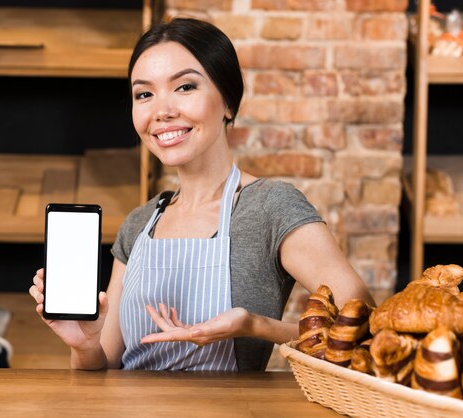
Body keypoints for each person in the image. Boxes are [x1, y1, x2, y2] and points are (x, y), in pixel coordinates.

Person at [29, 17, 375, 372]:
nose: (162, 111)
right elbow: (104, 370)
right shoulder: (138, 225)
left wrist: (254, 326)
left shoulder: (270, 208)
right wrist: (84, 344)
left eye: (184, 87)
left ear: (228, 103)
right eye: (144, 94)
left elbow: (366, 327)